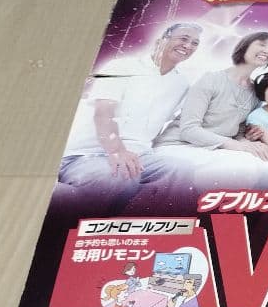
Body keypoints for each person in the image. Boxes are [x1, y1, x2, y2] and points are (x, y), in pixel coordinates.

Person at [57, 21, 202, 210]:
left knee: (181, 169)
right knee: (123, 175)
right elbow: (103, 113)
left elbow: (184, 121)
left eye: (194, 43)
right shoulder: (122, 67)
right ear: (161, 40)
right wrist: (117, 151)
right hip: (89, 154)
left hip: (141, 156)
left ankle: (157, 223)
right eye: (183, 39)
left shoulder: (181, 83)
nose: (188, 46)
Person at [153, 31, 268, 191]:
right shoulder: (211, 79)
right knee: (238, 168)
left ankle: (259, 205)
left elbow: (238, 131)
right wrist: (238, 146)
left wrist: (248, 142)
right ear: (245, 46)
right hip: (179, 145)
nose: (267, 50)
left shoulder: (255, 92)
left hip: (217, 148)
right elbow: (188, 130)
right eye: (262, 44)